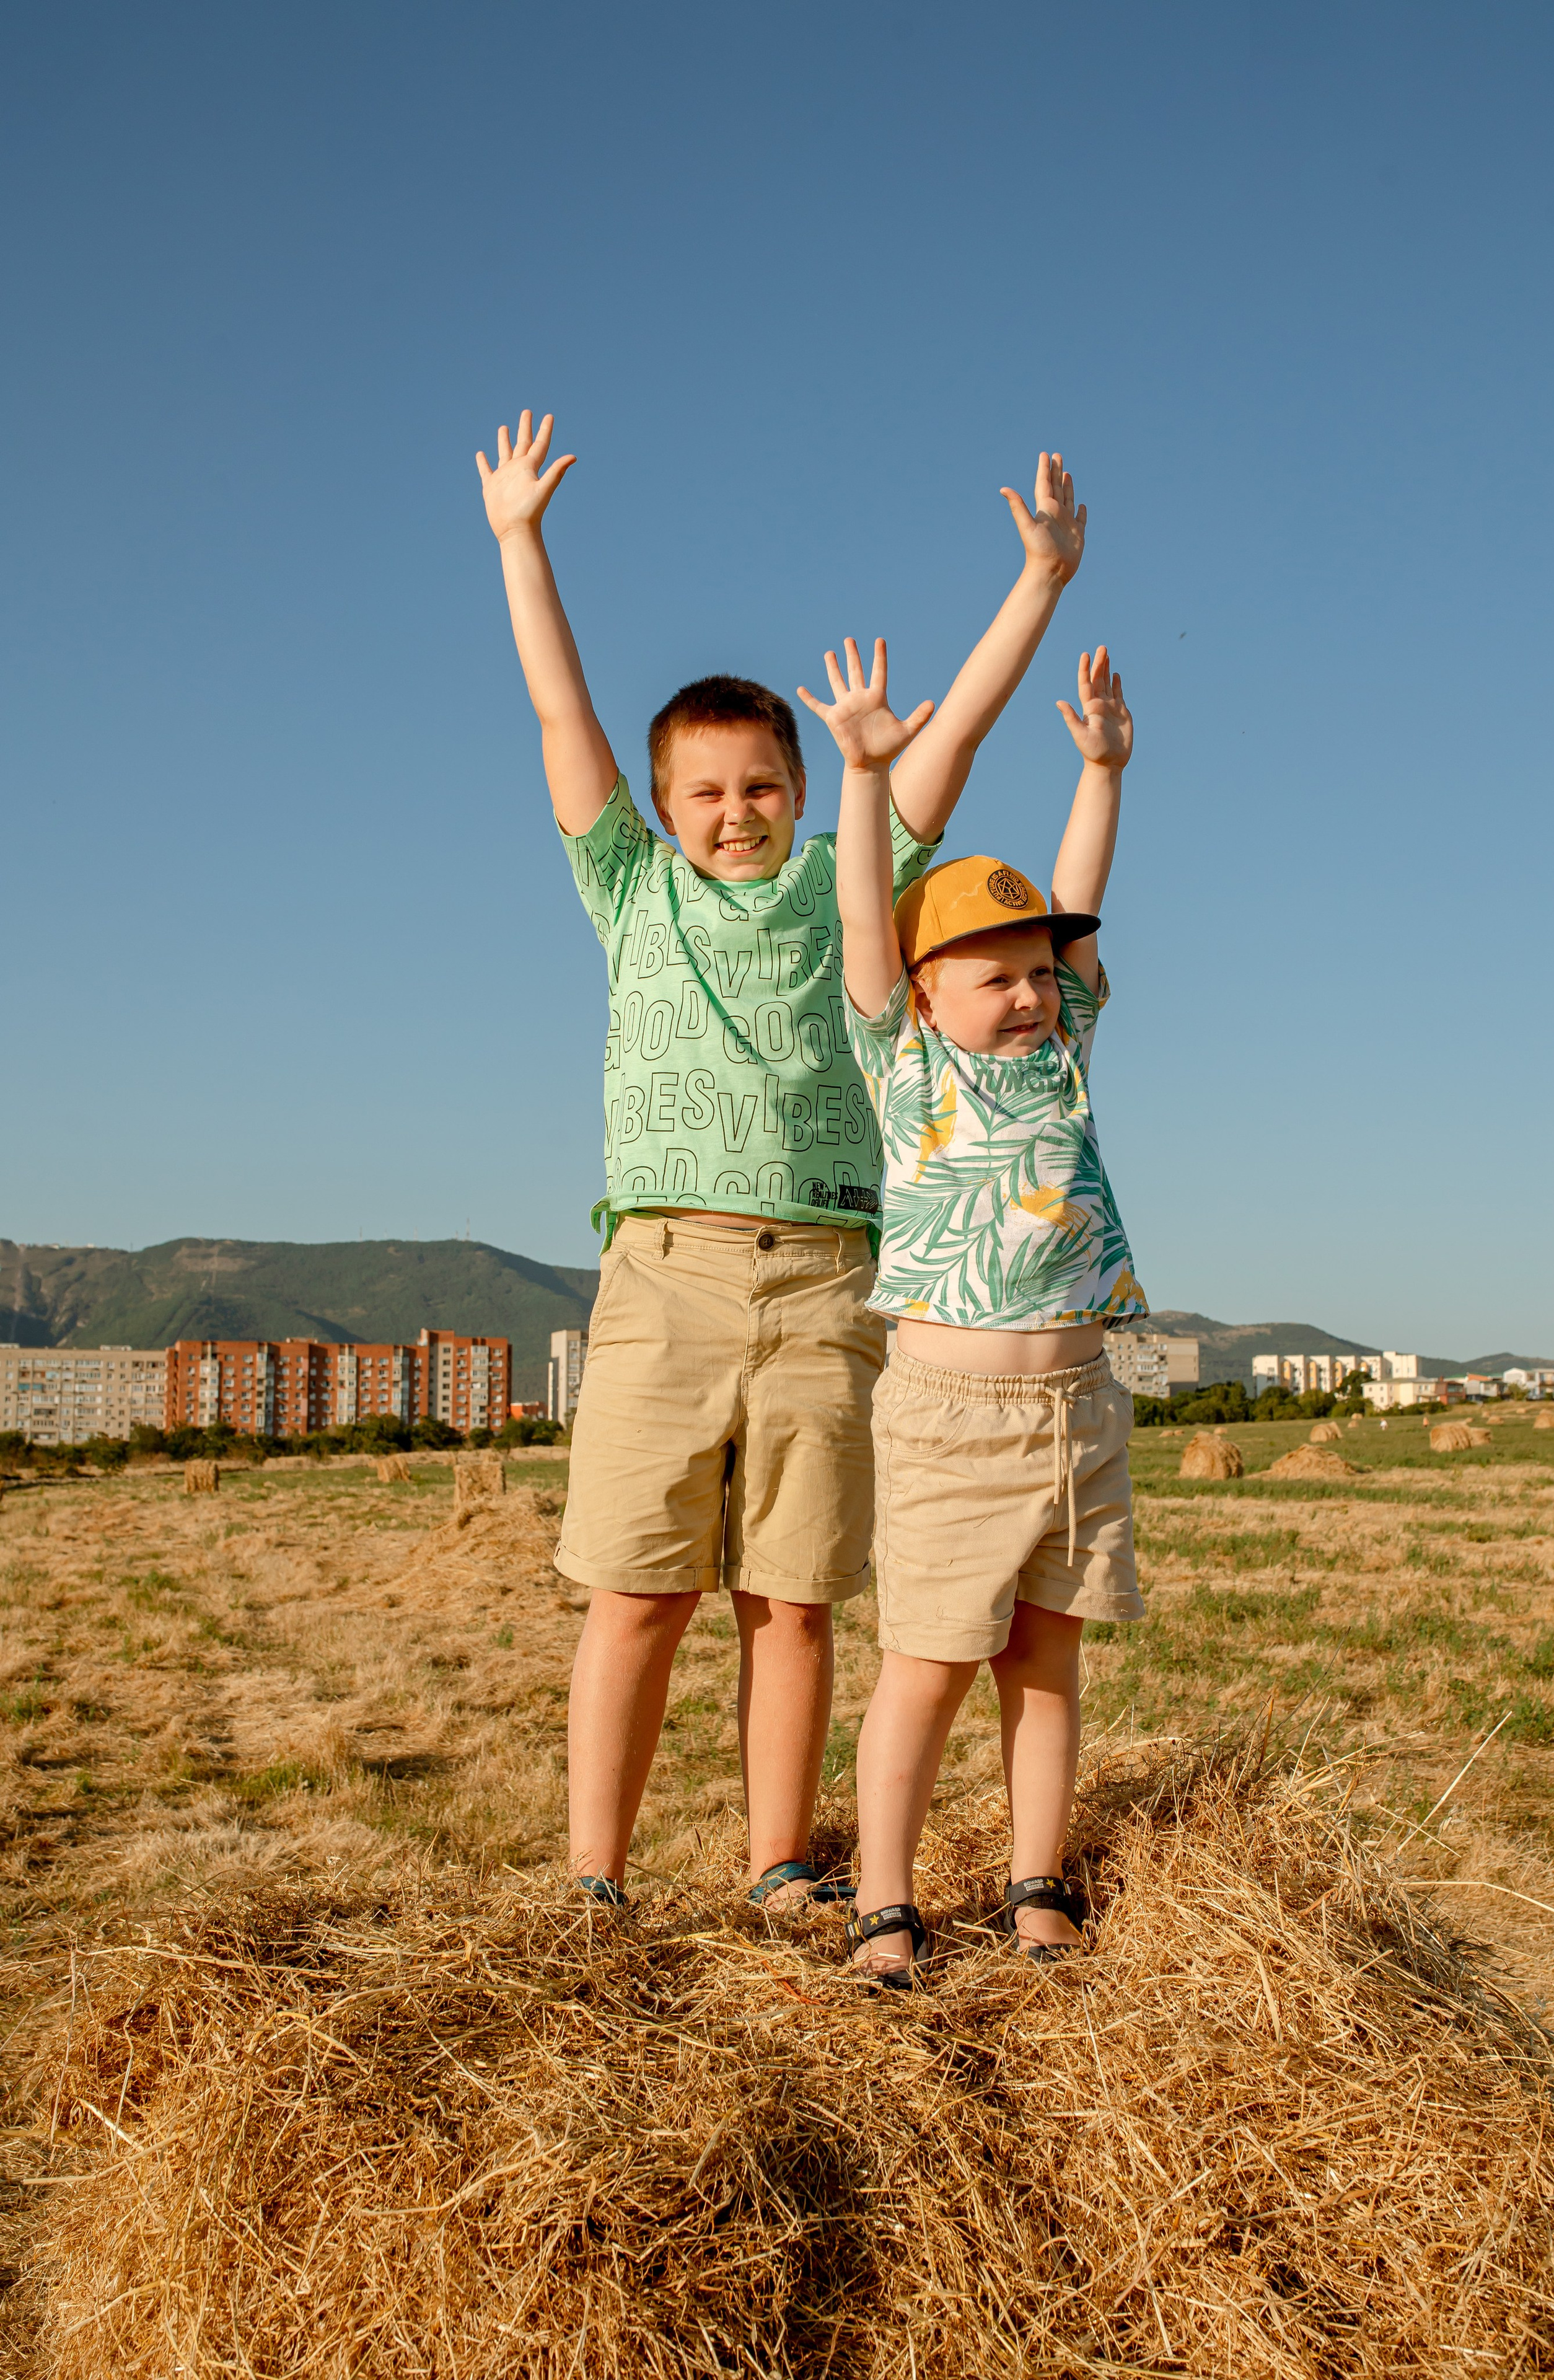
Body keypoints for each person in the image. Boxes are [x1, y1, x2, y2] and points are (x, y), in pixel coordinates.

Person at [476, 408, 1089, 1910]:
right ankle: (593, 1878)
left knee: (792, 1603)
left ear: (800, 794)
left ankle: (776, 1865)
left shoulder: (849, 884)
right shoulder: (628, 890)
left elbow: (940, 742)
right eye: (705, 791)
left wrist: (1039, 586)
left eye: (761, 785)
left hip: (828, 1278)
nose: (736, 811)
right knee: (633, 1595)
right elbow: (565, 723)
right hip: (663, 1273)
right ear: (664, 806)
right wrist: (519, 544)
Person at [798, 635, 1146, 1985]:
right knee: (928, 1668)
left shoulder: (1061, 1066)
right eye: (990, 973)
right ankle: (884, 1901)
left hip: (1078, 1411)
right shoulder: (903, 1066)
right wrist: (861, 780)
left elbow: (1079, 894)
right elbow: (850, 920)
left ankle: (1035, 1883)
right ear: (923, 989)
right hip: (949, 1419)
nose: (1023, 990)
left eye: (1036, 972)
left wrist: (1101, 771)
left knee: (1045, 1664)